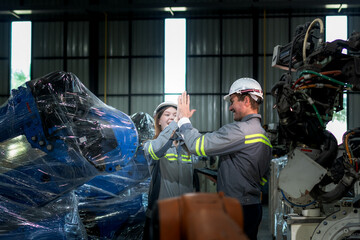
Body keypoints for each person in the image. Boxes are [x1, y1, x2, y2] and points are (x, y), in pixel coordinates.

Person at [176, 78, 272, 240]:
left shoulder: (241, 131)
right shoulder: (263, 135)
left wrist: (184, 120)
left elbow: (197, 145)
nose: (230, 107)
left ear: (246, 100)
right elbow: (262, 177)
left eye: (233, 101)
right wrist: (229, 179)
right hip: (252, 207)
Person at [142, 101, 195, 240]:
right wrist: (175, 123)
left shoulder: (188, 148)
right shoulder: (149, 145)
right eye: (167, 115)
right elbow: (157, 149)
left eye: (175, 115)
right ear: (158, 120)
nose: (172, 118)